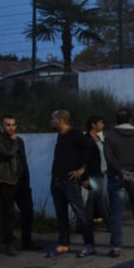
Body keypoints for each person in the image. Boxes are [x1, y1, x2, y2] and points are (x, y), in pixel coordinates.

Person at [48, 110, 94, 258]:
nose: (51, 121)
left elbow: (91, 148)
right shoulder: (60, 136)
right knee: (61, 215)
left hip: (70, 181)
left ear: (60, 120)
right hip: (57, 181)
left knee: (80, 214)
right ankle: (63, 244)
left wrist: (82, 170)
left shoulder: (75, 134)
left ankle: (89, 245)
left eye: (53, 119)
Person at [104, 108, 134, 257]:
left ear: (116, 120)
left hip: (117, 176)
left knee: (116, 212)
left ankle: (116, 246)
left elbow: (109, 157)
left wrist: (121, 171)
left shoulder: (110, 136)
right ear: (130, 120)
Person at [0, 115, 34, 255]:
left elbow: (23, 160)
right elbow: (7, 154)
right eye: (8, 125)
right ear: (1, 126)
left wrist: (26, 180)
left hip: (21, 181)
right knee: (8, 214)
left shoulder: (19, 140)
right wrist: (14, 143)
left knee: (28, 212)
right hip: (6, 181)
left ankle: (27, 241)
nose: (11, 127)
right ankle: (9, 244)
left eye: (13, 125)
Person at [83, 115, 110, 233]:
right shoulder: (85, 139)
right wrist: (84, 177)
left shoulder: (100, 139)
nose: (102, 125)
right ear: (93, 125)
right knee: (99, 200)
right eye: (100, 123)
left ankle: (85, 225)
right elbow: (83, 159)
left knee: (92, 201)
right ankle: (110, 224)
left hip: (101, 173)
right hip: (93, 174)